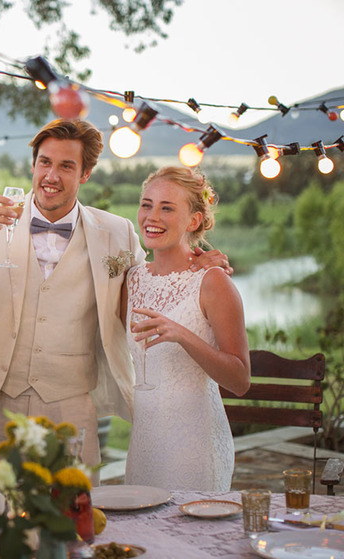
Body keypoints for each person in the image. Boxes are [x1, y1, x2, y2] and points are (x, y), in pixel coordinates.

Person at [0, 118, 231, 476]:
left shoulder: (117, 233)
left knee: (74, 515)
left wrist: (197, 261)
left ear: (85, 173)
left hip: (72, 402)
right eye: (45, 162)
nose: (51, 175)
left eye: (66, 166)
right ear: (34, 165)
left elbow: (149, 281)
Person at [122, 167, 250, 491]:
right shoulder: (131, 280)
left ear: (193, 221)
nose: (152, 216)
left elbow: (240, 380)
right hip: (144, 441)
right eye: (146, 204)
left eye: (167, 207)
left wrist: (181, 334)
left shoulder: (213, 282)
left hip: (194, 445)